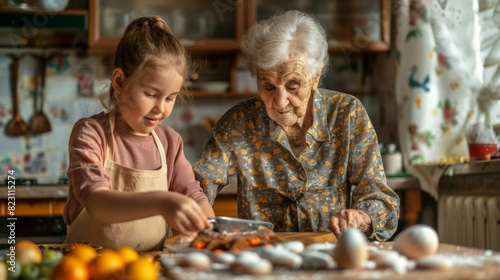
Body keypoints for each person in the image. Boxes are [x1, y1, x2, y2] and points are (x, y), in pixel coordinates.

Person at [193, 10, 400, 241]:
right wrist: (197, 220)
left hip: (329, 257)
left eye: (292, 85)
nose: (280, 102)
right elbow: (197, 186)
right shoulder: (239, 122)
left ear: (316, 76)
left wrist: (360, 217)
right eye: (268, 87)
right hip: (261, 259)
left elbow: (381, 202)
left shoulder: (347, 114)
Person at [63, 16, 214, 251]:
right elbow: (97, 202)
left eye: (170, 98)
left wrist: (207, 230)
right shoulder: (91, 133)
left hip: (146, 271)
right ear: (120, 81)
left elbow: (195, 196)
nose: (160, 108)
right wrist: (162, 202)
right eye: (151, 94)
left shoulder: (169, 142)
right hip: (88, 270)